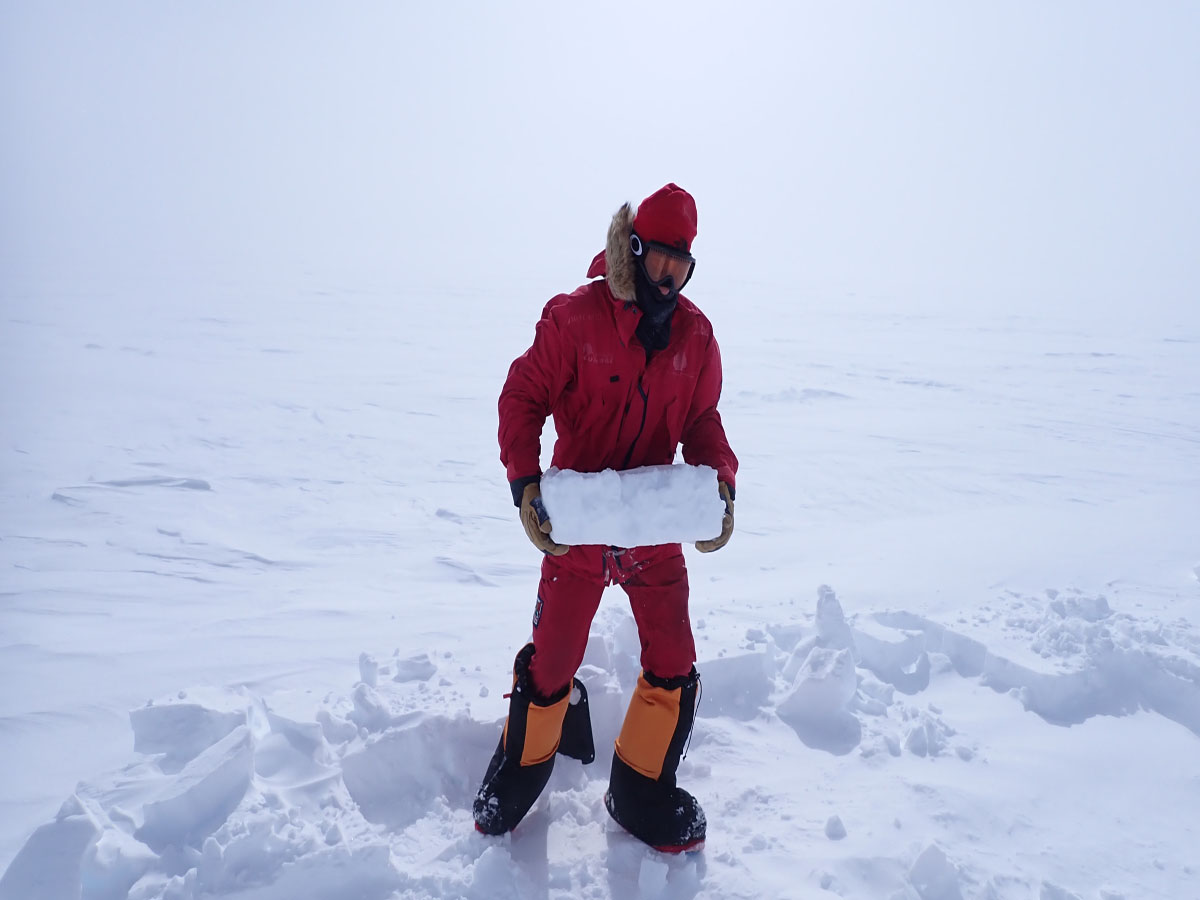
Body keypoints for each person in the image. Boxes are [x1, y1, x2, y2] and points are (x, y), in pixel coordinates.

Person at [473, 184, 738, 853]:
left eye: (683, 265)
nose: (669, 278)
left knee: (674, 660)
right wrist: (525, 483)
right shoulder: (576, 319)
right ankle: (522, 767)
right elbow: (522, 395)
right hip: (580, 527)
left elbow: (702, 421)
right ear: (635, 248)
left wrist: (720, 483)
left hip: (651, 528)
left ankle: (641, 788)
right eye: (660, 260)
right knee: (553, 660)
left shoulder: (697, 337)